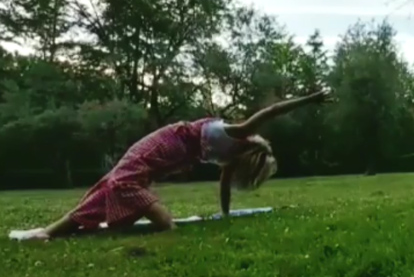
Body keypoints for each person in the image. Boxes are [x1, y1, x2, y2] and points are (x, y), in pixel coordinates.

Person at [23, 90, 332, 241]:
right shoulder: (239, 134)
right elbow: (273, 110)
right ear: (253, 156)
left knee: (112, 190)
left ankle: (46, 233)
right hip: (165, 142)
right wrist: (313, 98)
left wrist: (225, 216)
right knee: (159, 219)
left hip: (147, 168)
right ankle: (57, 231)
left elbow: (224, 187)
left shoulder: (229, 158)